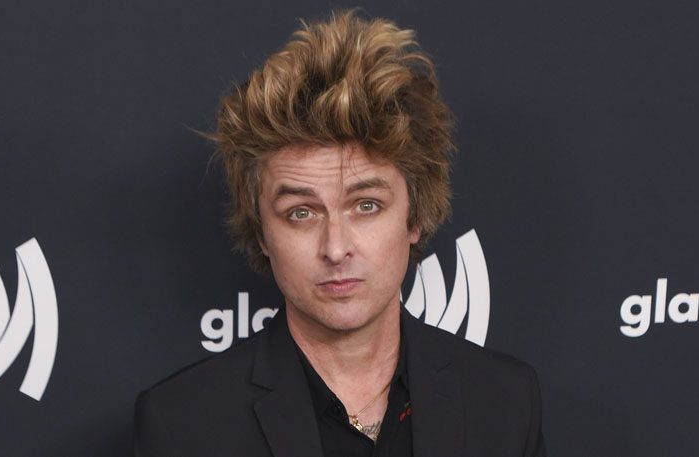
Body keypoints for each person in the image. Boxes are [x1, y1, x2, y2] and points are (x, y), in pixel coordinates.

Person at [134, 10, 547, 457]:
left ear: (414, 217)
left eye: (366, 206)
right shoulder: (182, 425)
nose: (335, 248)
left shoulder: (505, 403)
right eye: (301, 213)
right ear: (261, 232)